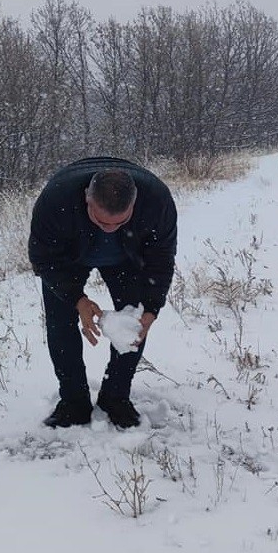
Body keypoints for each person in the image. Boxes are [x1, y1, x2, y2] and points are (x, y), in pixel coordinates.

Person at [28, 157, 178, 428]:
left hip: (127, 258)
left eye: (120, 222)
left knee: (135, 323)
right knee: (59, 323)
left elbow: (161, 258)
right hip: (68, 257)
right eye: (100, 220)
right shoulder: (55, 200)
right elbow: (43, 259)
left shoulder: (157, 202)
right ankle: (73, 401)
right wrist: (77, 299)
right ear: (87, 198)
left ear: (134, 205)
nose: (109, 228)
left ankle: (116, 397)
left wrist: (152, 308)